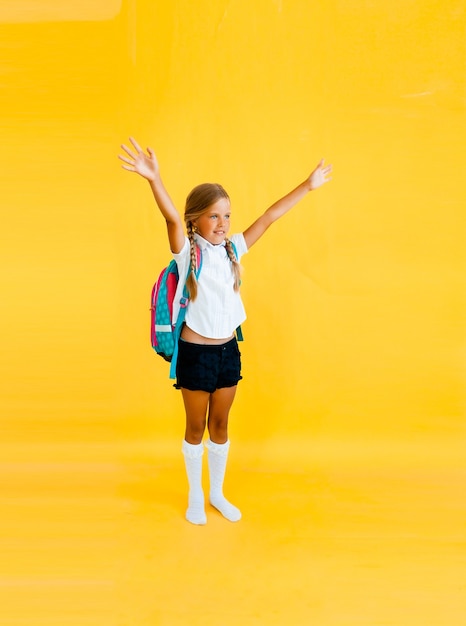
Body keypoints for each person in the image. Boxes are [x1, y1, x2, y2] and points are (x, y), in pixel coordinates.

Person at [119, 137, 332, 525]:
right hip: (196, 354)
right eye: (214, 216)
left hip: (227, 351)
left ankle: (217, 492)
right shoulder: (188, 253)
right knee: (196, 427)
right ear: (196, 220)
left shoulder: (234, 249)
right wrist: (154, 180)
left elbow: (269, 216)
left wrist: (308, 185)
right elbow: (169, 217)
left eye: (227, 216)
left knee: (220, 425)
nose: (223, 224)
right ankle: (196, 495)